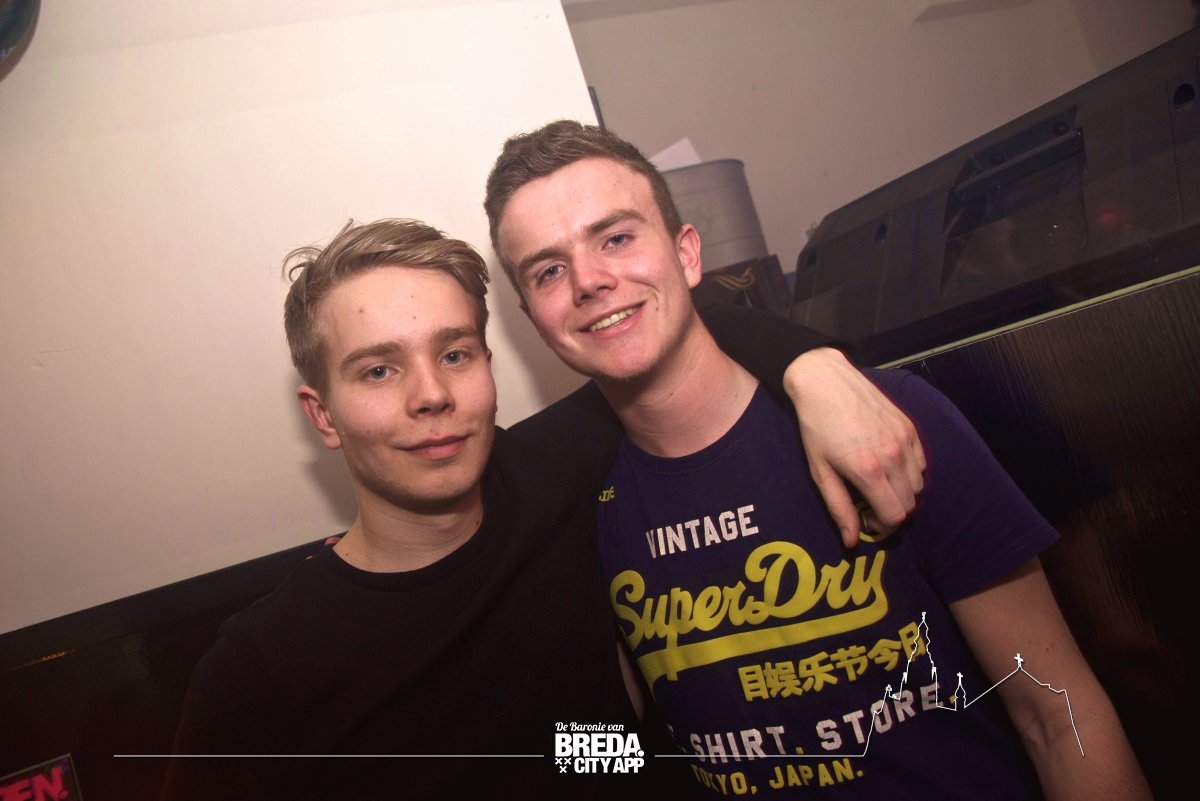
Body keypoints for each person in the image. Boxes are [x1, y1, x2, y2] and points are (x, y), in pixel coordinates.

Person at [484, 119, 1152, 799]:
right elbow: (620, 746)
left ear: (687, 255)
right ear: (533, 316)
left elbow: (1056, 715)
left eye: (617, 238)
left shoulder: (882, 422)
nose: (590, 280)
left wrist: (811, 363)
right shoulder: (569, 503)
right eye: (549, 270)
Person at [162, 218, 925, 801]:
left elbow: (663, 334)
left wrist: (813, 366)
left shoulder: (549, 476)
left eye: (454, 353)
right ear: (323, 414)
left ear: (488, 369)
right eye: (378, 369)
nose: (432, 394)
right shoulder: (260, 671)